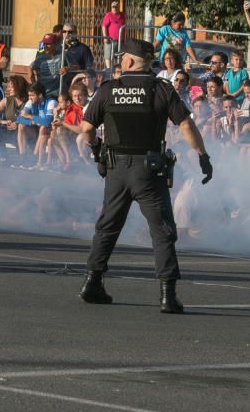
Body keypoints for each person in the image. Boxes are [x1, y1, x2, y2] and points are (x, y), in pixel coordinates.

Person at [78, 38, 212, 314]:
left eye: (122, 58)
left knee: (108, 226)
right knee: (162, 231)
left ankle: (92, 282)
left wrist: (97, 151)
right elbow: (185, 123)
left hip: (116, 169)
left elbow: (86, 128)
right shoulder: (160, 89)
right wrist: (202, 155)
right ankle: (167, 295)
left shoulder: (108, 90)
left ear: (127, 61)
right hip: (148, 170)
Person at [57, 23, 94, 94]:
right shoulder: (58, 48)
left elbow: (89, 68)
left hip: (76, 87)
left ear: (75, 33)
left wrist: (70, 69)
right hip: (58, 87)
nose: (67, 34)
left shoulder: (83, 48)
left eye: (70, 32)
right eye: (64, 31)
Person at [29, 34, 62, 99]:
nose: (45, 46)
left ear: (55, 44)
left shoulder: (61, 56)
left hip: (54, 92)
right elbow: (30, 67)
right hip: (41, 91)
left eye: (48, 44)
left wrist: (67, 68)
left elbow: (75, 65)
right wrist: (34, 84)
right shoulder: (41, 57)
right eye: (44, 44)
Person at [101, 1, 126, 69]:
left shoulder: (122, 15)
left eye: (115, 7)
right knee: (109, 55)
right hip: (111, 40)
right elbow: (104, 26)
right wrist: (105, 37)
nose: (114, 8)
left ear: (118, 8)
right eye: (113, 7)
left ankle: (117, 69)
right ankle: (109, 69)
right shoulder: (108, 15)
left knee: (119, 55)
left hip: (120, 40)